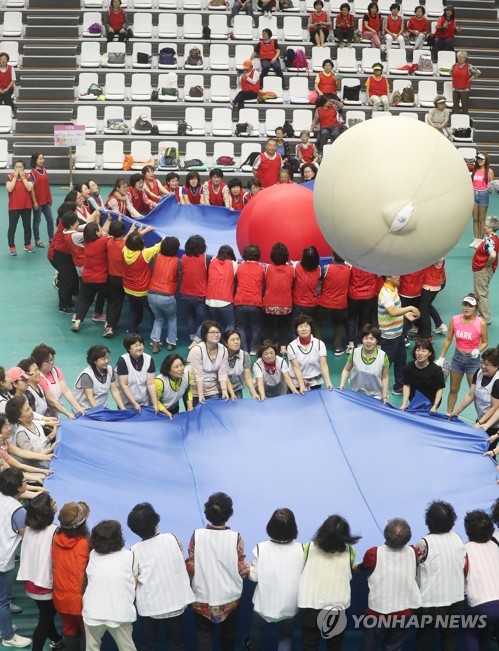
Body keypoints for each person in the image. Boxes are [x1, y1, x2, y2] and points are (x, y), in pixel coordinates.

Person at [127, 503, 195, 651]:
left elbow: (134, 578)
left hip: (150, 607)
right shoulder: (173, 538)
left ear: (134, 530)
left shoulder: (134, 551)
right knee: (176, 642)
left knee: (148, 644)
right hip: (175, 601)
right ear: (156, 522)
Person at [186, 492, 249, 651]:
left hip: (202, 599)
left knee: (204, 635)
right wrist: (248, 569)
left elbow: (190, 566)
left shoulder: (196, 536)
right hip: (229, 600)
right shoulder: (236, 538)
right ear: (229, 514)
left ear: (207, 512)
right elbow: (241, 569)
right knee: (229, 636)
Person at [298, 515, 361, 651]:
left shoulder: (307, 548)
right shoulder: (350, 552)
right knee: (334, 646)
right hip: (337, 607)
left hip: (312, 606)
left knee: (309, 645)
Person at [357, 518, 421, 651]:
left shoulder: (373, 553)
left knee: (369, 644)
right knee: (395, 645)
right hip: (404, 611)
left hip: (377, 612)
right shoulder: (413, 552)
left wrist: (356, 567)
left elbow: (364, 566)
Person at [247, 508, 304, 651]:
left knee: (256, 632)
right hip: (290, 606)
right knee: (285, 637)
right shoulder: (302, 549)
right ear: (293, 528)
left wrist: (248, 569)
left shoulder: (260, 548)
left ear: (270, 527)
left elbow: (253, 577)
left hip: (263, 605)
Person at [415, 501, 466, 651]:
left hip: (430, 603)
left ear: (428, 521)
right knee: (449, 637)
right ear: (452, 520)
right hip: (455, 600)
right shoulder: (457, 537)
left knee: (425, 638)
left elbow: (416, 565)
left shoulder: (424, 543)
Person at [17, 493, 63, 651]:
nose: (56, 503)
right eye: (53, 502)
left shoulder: (29, 529)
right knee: (45, 620)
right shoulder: (55, 532)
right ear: (48, 511)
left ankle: (57, 639)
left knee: (46, 615)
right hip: (45, 586)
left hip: (31, 583)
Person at [82, 520, 137, 651]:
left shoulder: (93, 554)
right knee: (127, 648)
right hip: (119, 614)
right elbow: (133, 584)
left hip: (92, 612)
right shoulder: (130, 556)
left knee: (91, 648)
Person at [436, 294, 488, 413]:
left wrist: (478, 349)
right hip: (457, 359)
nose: (467, 308)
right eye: (465, 305)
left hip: (473, 361)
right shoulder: (455, 320)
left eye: (470, 306)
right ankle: (449, 415)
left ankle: (480, 419)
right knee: (453, 389)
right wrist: (441, 357)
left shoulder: (481, 323)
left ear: (475, 307)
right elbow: (448, 339)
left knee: (474, 392)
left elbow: (485, 342)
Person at [52, 501, 90, 651]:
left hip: (60, 598)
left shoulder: (56, 539)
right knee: (88, 633)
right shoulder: (85, 544)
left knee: (69, 630)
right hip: (80, 601)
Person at [0, 468, 31, 648]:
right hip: (2, 559)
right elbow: (26, 537)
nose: (26, 482)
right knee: (3, 601)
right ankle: (8, 636)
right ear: (19, 487)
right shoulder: (18, 511)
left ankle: (3, 627)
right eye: (24, 480)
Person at [378, 275, 420, 396]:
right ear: (388, 278)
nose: (399, 277)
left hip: (398, 333)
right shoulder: (386, 293)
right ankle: (376, 387)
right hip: (389, 337)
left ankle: (399, 385)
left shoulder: (393, 288)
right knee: (385, 364)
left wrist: (406, 315)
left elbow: (396, 307)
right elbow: (392, 311)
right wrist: (410, 308)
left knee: (401, 359)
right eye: (396, 275)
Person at [463, 510, 499, 650]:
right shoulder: (495, 546)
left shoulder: (464, 550)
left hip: (481, 605)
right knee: (482, 630)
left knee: (471, 632)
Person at [70, 217, 112, 333]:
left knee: (85, 300)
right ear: (96, 233)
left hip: (87, 278)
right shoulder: (103, 242)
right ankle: (107, 325)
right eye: (98, 229)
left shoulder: (87, 242)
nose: (101, 230)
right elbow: (113, 236)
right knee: (111, 300)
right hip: (101, 278)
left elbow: (103, 231)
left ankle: (78, 321)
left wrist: (108, 220)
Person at [451, 348, 499, 443]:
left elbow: (494, 408)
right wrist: (456, 412)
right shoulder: (479, 373)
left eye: (487, 364)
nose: (483, 366)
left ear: (496, 366)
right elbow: (470, 395)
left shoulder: (497, 382)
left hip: (494, 424)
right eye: (482, 362)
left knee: (488, 450)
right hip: (482, 418)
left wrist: (480, 423)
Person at [122, 225, 159, 334]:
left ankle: (132, 332)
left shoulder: (124, 250)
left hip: (128, 289)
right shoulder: (144, 254)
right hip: (142, 291)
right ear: (141, 244)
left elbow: (130, 241)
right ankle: (155, 335)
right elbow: (159, 246)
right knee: (154, 313)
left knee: (134, 310)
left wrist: (144, 231)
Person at [148, 236, 181, 354]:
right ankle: (171, 343)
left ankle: (155, 342)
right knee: (172, 318)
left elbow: (152, 270)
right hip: (167, 296)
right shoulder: (178, 262)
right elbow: (180, 276)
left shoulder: (155, 257)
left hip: (151, 293)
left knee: (158, 318)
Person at [5, 396, 57, 470]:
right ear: (19, 417)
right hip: (35, 471)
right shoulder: (22, 434)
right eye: (27, 410)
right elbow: (31, 457)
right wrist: (50, 449)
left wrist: (52, 435)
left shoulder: (35, 423)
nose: (31, 411)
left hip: (46, 464)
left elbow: (40, 444)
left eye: (29, 407)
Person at [339, 324, 389, 401]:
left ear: (376, 341)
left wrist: (384, 396)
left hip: (376, 396)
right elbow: (346, 370)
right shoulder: (355, 352)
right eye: (366, 338)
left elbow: (385, 377)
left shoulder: (383, 356)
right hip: (356, 394)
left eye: (372, 339)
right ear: (362, 340)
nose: (368, 341)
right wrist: (342, 384)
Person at [262, 243, 295, 355]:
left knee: (268, 326)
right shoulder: (291, 269)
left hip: (269, 303)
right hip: (285, 304)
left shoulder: (267, 268)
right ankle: (283, 349)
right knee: (284, 327)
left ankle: (268, 348)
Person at [315, 254, 350, 355]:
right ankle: (338, 348)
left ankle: (318, 348)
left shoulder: (326, 268)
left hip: (325, 303)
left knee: (316, 322)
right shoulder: (348, 270)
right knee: (338, 324)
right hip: (341, 305)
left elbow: (318, 280)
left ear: (333, 258)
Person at [19, 356, 75, 420]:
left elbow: (48, 407)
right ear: (27, 374)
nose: (39, 373)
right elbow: (30, 417)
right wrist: (47, 423)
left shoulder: (39, 386)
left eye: (38, 369)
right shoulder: (28, 393)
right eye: (35, 370)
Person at [186, 321, 229, 404]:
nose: (216, 335)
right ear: (205, 335)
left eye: (218, 332)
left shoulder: (223, 350)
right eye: (212, 332)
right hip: (194, 389)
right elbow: (198, 374)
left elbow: (222, 373)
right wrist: (201, 394)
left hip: (212, 389)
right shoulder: (196, 350)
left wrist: (224, 391)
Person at [287, 315, 333, 392]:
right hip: (297, 383)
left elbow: (323, 365)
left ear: (311, 328)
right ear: (296, 330)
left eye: (306, 326)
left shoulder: (319, 344)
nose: (304, 329)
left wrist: (328, 382)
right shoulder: (291, 346)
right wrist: (302, 386)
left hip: (315, 382)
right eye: (300, 326)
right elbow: (296, 368)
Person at [234, 243, 265, 354]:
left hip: (239, 301)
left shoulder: (239, 267)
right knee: (256, 327)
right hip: (255, 302)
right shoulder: (262, 268)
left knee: (240, 327)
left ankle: (243, 349)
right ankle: (253, 348)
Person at [73, 345, 125, 410]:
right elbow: (90, 397)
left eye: (107, 358)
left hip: (102, 408)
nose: (107, 361)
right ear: (94, 361)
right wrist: (99, 412)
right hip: (85, 410)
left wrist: (123, 408)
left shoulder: (110, 369)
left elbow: (114, 391)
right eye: (103, 359)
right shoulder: (87, 375)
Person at [400, 339, 446, 412]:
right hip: (414, 402)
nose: (420, 353)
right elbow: (406, 385)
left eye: (423, 351)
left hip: (430, 403)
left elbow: (439, 389)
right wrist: (404, 404)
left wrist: (434, 406)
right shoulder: (408, 367)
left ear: (430, 353)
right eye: (418, 350)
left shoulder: (436, 370)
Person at [116, 333, 158, 412]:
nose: (139, 348)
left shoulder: (149, 359)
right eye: (135, 346)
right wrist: (135, 403)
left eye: (141, 345)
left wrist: (155, 404)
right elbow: (123, 384)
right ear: (129, 348)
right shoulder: (123, 360)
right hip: (127, 405)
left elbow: (151, 383)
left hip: (144, 403)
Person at [179, 235, 209, 343]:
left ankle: (192, 337)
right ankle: (197, 338)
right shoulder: (205, 258)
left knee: (190, 316)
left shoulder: (183, 257)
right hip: (199, 295)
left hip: (184, 294)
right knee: (206, 320)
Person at [472, 215, 499, 325]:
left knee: (481, 294)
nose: (484, 226)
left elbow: (492, 255)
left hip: (482, 270)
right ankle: (483, 314)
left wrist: (486, 265)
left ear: (491, 228)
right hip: (487, 270)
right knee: (483, 292)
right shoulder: (495, 238)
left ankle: (485, 318)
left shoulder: (489, 241)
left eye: (486, 225)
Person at [205, 245, 238, 332]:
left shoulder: (212, 262)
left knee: (215, 324)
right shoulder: (233, 264)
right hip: (225, 300)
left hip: (210, 300)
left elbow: (214, 258)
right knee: (230, 324)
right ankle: (228, 344)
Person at [104, 218, 127, 338]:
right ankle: (110, 326)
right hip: (123, 279)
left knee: (113, 301)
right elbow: (128, 242)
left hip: (111, 277)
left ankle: (109, 323)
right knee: (119, 302)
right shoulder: (124, 245)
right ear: (123, 233)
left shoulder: (108, 242)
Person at [6, 160, 34, 256]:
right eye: (16, 167)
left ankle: (27, 244)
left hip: (26, 206)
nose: (18, 169)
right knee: (12, 227)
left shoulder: (28, 176)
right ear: (14, 168)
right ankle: (12, 247)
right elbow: (9, 188)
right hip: (14, 207)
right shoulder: (9, 177)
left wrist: (23, 178)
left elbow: (29, 188)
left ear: (24, 168)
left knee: (27, 227)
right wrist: (14, 178)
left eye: (20, 167)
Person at [225, 330, 260, 400]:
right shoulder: (221, 354)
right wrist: (231, 393)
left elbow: (248, 377)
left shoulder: (245, 355)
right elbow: (224, 377)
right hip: (221, 388)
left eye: (238, 339)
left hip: (237, 388)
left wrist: (254, 393)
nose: (236, 342)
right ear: (226, 343)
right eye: (233, 340)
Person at [29, 152, 54, 248]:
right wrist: (34, 202)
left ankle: (51, 238)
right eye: (40, 159)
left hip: (46, 201)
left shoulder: (45, 170)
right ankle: (37, 240)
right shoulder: (32, 173)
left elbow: (46, 186)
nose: (42, 160)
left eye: (43, 158)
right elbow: (31, 189)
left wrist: (49, 199)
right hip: (38, 202)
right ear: (35, 160)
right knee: (37, 221)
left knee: (50, 220)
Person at [470, 153, 494, 247]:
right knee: (475, 218)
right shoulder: (475, 170)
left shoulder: (489, 171)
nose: (480, 161)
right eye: (478, 159)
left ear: (486, 161)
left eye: (482, 159)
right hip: (474, 194)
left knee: (481, 219)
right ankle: (476, 239)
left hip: (483, 195)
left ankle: (480, 239)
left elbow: (491, 186)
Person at [417, 259, 445, 339]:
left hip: (430, 286)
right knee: (426, 307)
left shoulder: (436, 255)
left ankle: (427, 336)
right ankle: (422, 332)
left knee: (424, 311)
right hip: (430, 285)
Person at [292, 246, 320, 318]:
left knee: (297, 323)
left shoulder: (296, 266)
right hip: (312, 304)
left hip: (298, 304)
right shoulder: (319, 269)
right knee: (308, 323)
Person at [450, 50, 480, 115]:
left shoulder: (469, 66)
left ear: (465, 58)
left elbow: (478, 72)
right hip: (455, 89)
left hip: (465, 90)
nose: (460, 58)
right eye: (458, 57)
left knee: (465, 106)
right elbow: (450, 73)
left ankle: (465, 121)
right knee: (455, 106)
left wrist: (471, 78)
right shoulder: (454, 65)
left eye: (462, 57)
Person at [0, 52, 16, 117]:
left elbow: (13, 80)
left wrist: (7, 89)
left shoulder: (11, 68)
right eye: (2, 59)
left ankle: (11, 110)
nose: (3, 60)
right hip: (0, 89)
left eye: (5, 59)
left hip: (8, 89)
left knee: (6, 95)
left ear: (7, 60)